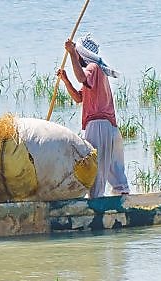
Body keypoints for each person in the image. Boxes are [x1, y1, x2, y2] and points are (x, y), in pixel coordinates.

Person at [56, 34, 131, 198]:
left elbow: (82, 77)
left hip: (98, 125)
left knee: (95, 166)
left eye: (78, 54)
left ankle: (96, 202)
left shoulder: (93, 68)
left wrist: (71, 54)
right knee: (113, 167)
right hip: (110, 127)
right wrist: (66, 81)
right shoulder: (98, 71)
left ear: (82, 54)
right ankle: (122, 196)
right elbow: (78, 98)